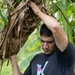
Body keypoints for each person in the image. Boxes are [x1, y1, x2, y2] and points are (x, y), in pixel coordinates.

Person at [10, 2, 75, 75]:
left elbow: (55, 27)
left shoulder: (66, 56)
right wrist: (12, 54)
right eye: (42, 41)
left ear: (56, 40)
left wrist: (38, 12)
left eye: (49, 42)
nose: (45, 46)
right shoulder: (36, 59)